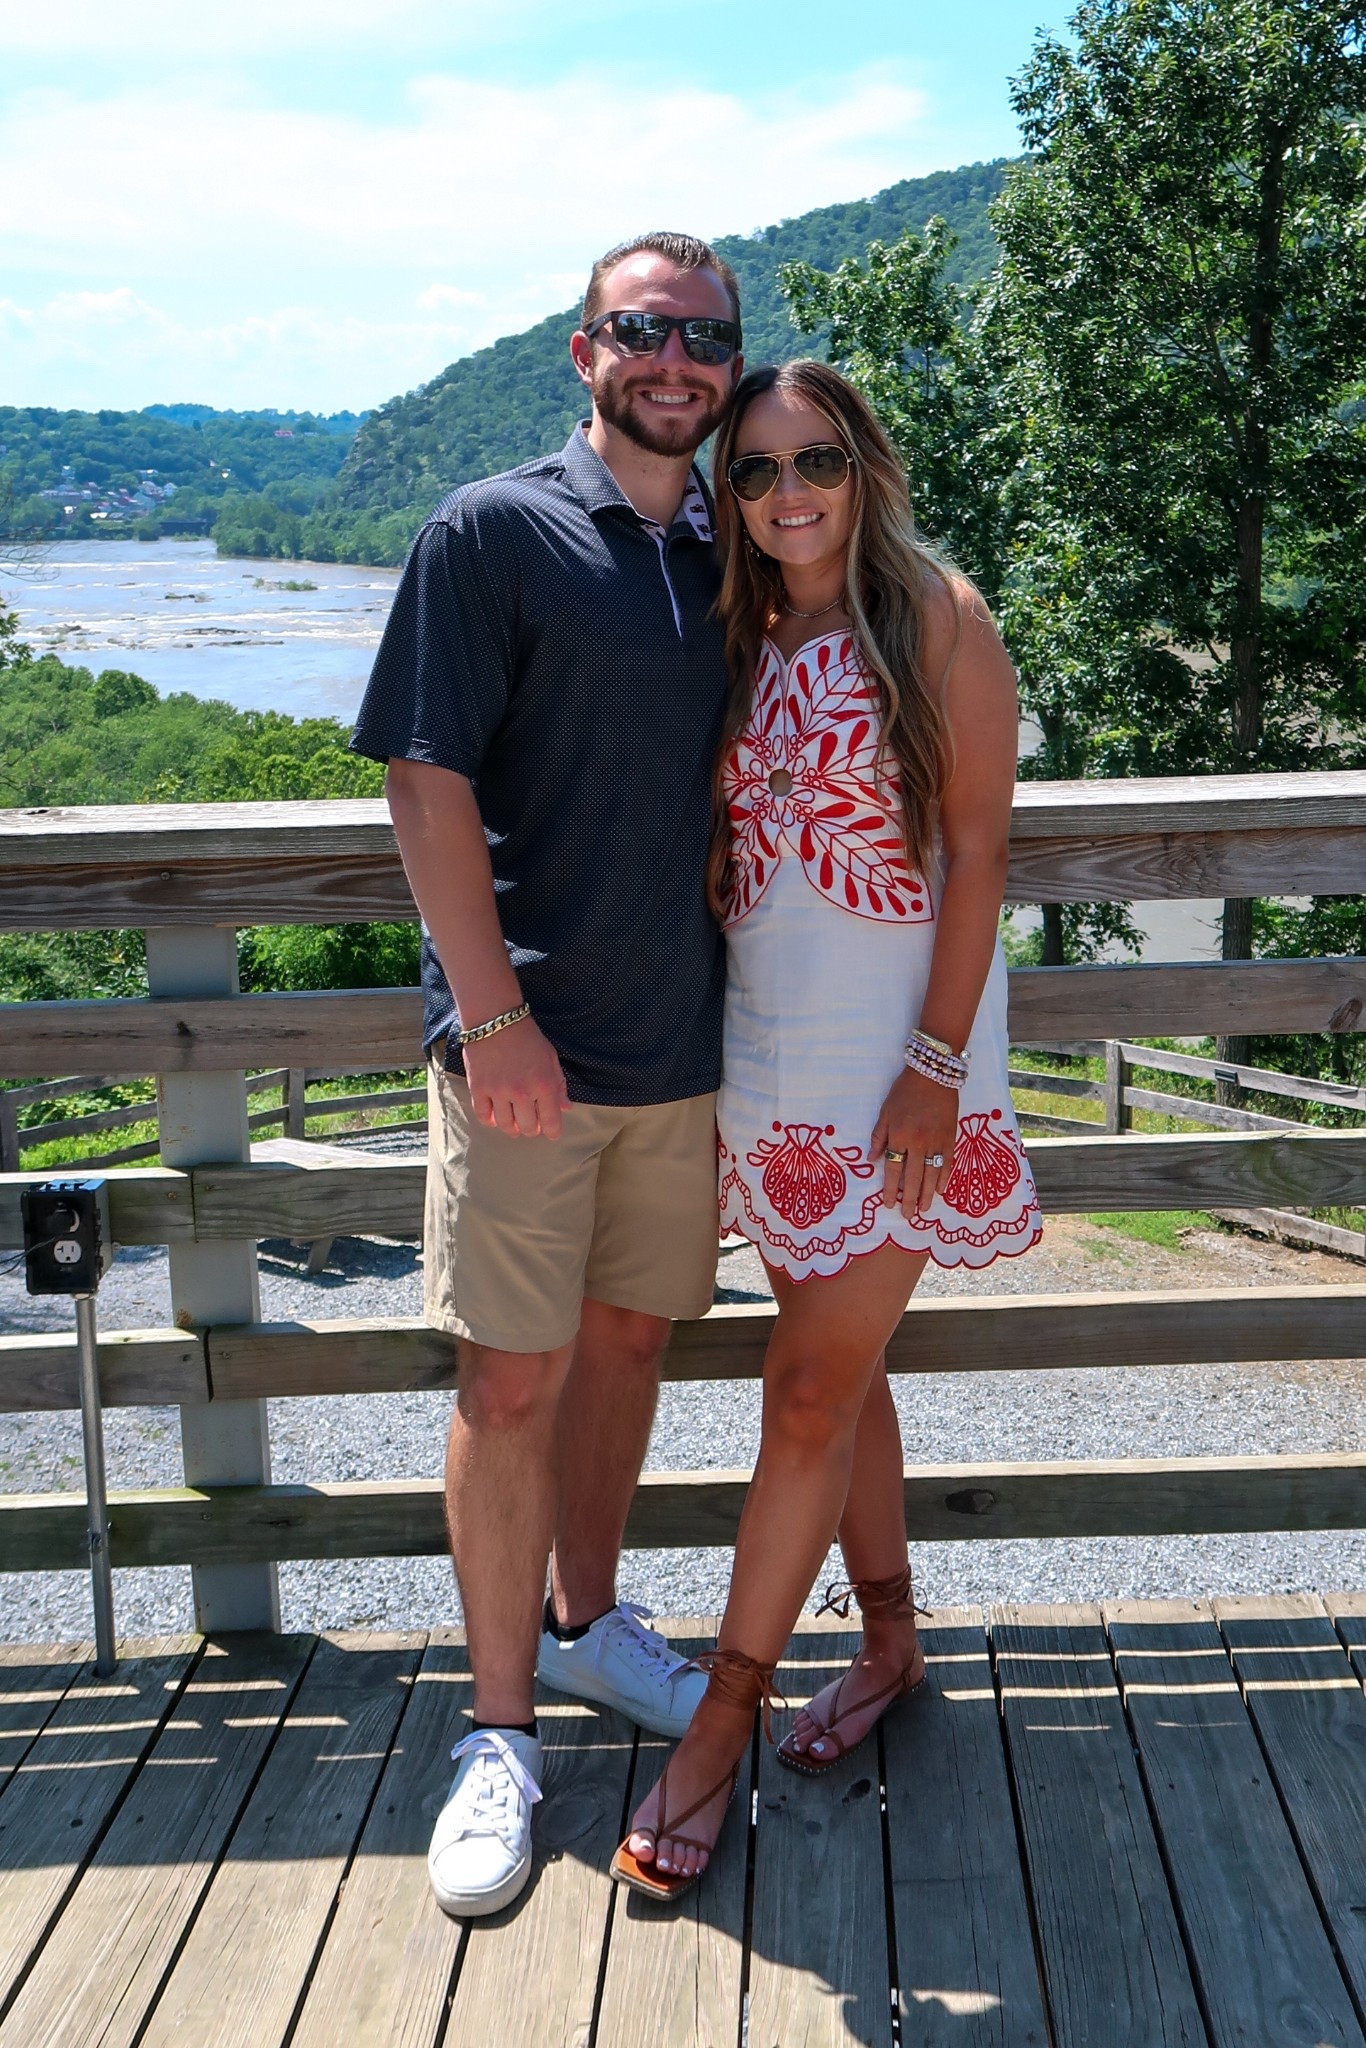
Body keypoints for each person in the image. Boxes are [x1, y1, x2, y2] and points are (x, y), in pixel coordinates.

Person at [349, 231, 745, 1918]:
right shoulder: (490, 529)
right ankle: (497, 1736)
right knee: (507, 1385)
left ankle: (588, 1632)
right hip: (524, 1053)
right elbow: (423, 782)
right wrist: (493, 1018)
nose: (678, 360)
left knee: (629, 1350)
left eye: (706, 336)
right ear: (583, 351)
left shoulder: (746, 538)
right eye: (645, 331)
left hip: (687, 1046)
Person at [611, 359, 1042, 1901]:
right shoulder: (752, 625)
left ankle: (719, 1718)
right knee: (833, 1371)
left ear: (866, 467)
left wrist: (932, 1065)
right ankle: (889, 1641)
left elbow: (979, 854)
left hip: (900, 1067)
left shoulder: (932, 612)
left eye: (815, 463)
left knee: (800, 1395)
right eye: (754, 472)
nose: (786, 496)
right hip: (774, 1059)